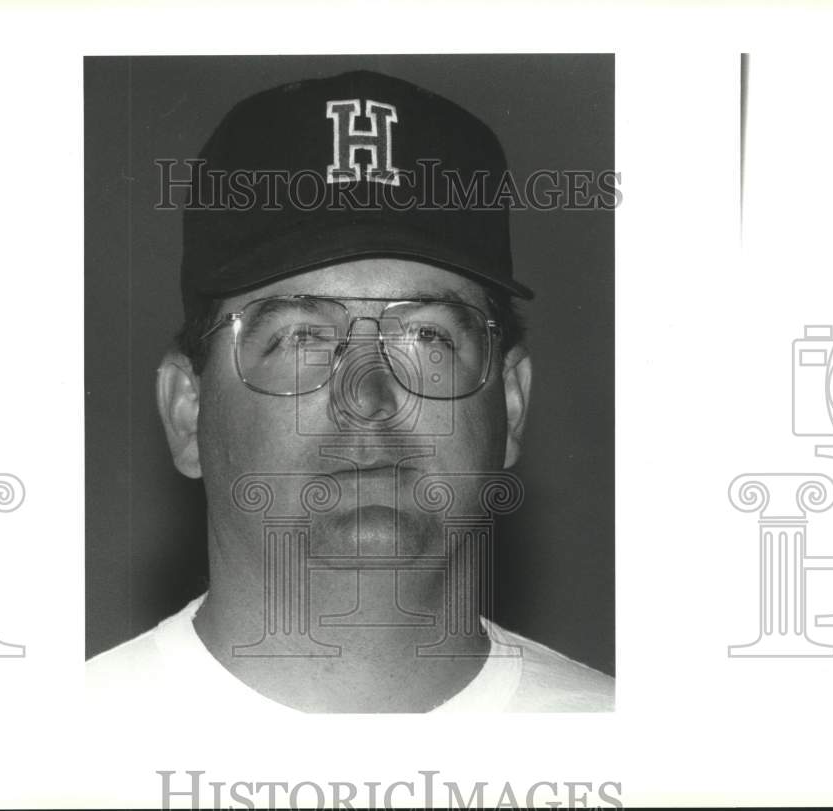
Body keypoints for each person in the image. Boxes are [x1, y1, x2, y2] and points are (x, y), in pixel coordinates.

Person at [86, 69, 613, 713]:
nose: (366, 399)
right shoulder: (28, 761)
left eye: (427, 336)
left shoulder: (656, 761)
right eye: (302, 338)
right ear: (188, 412)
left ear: (509, 402)